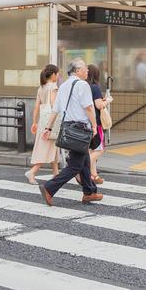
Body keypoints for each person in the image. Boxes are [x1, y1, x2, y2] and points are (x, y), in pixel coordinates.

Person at [38, 58, 101, 205]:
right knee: (75, 165)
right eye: (85, 69)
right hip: (80, 129)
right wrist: (94, 126)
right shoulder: (83, 85)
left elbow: (56, 110)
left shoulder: (64, 85)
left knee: (84, 161)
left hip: (68, 128)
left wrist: (48, 127)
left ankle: (89, 192)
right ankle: (49, 188)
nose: (87, 71)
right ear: (77, 71)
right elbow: (89, 107)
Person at [25, 64, 61, 183]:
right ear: (53, 75)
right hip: (50, 122)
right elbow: (54, 105)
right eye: (57, 73)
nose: (58, 76)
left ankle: (56, 173)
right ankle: (32, 172)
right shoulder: (53, 87)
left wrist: (34, 122)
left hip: (42, 121)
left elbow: (36, 107)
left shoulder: (41, 88)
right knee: (46, 148)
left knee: (52, 147)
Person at [86, 64, 112, 185]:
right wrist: (107, 100)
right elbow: (98, 105)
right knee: (99, 149)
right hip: (95, 122)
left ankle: (93, 175)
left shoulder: (84, 86)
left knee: (91, 149)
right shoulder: (94, 87)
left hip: (85, 121)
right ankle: (84, 167)